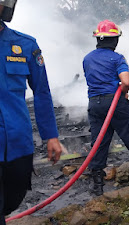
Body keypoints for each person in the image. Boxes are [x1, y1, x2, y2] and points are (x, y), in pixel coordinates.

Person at [0, 2, 62, 223]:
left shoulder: (25, 45)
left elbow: (42, 92)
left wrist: (51, 136)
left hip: (18, 145)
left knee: (13, 198)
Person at [83, 20, 129, 196]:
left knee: (99, 142)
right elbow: (126, 81)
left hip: (95, 104)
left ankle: (97, 185)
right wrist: (123, 93)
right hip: (115, 103)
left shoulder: (87, 58)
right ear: (114, 39)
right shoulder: (117, 58)